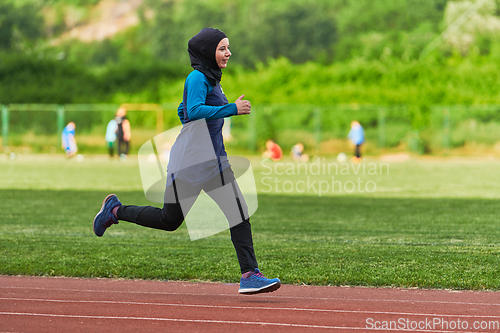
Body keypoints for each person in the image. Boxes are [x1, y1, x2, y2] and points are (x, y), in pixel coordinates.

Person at [93, 28, 281, 295]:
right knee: (169, 220)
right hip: (191, 164)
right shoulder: (197, 77)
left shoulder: (214, 79)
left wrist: (202, 112)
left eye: (228, 48)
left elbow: (188, 112)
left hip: (214, 162)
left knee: (239, 214)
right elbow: (193, 110)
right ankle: (115, 211)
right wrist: (231, 109)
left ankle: (250, 275)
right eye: (222, 48)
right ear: (207, 52)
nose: (228, 53)